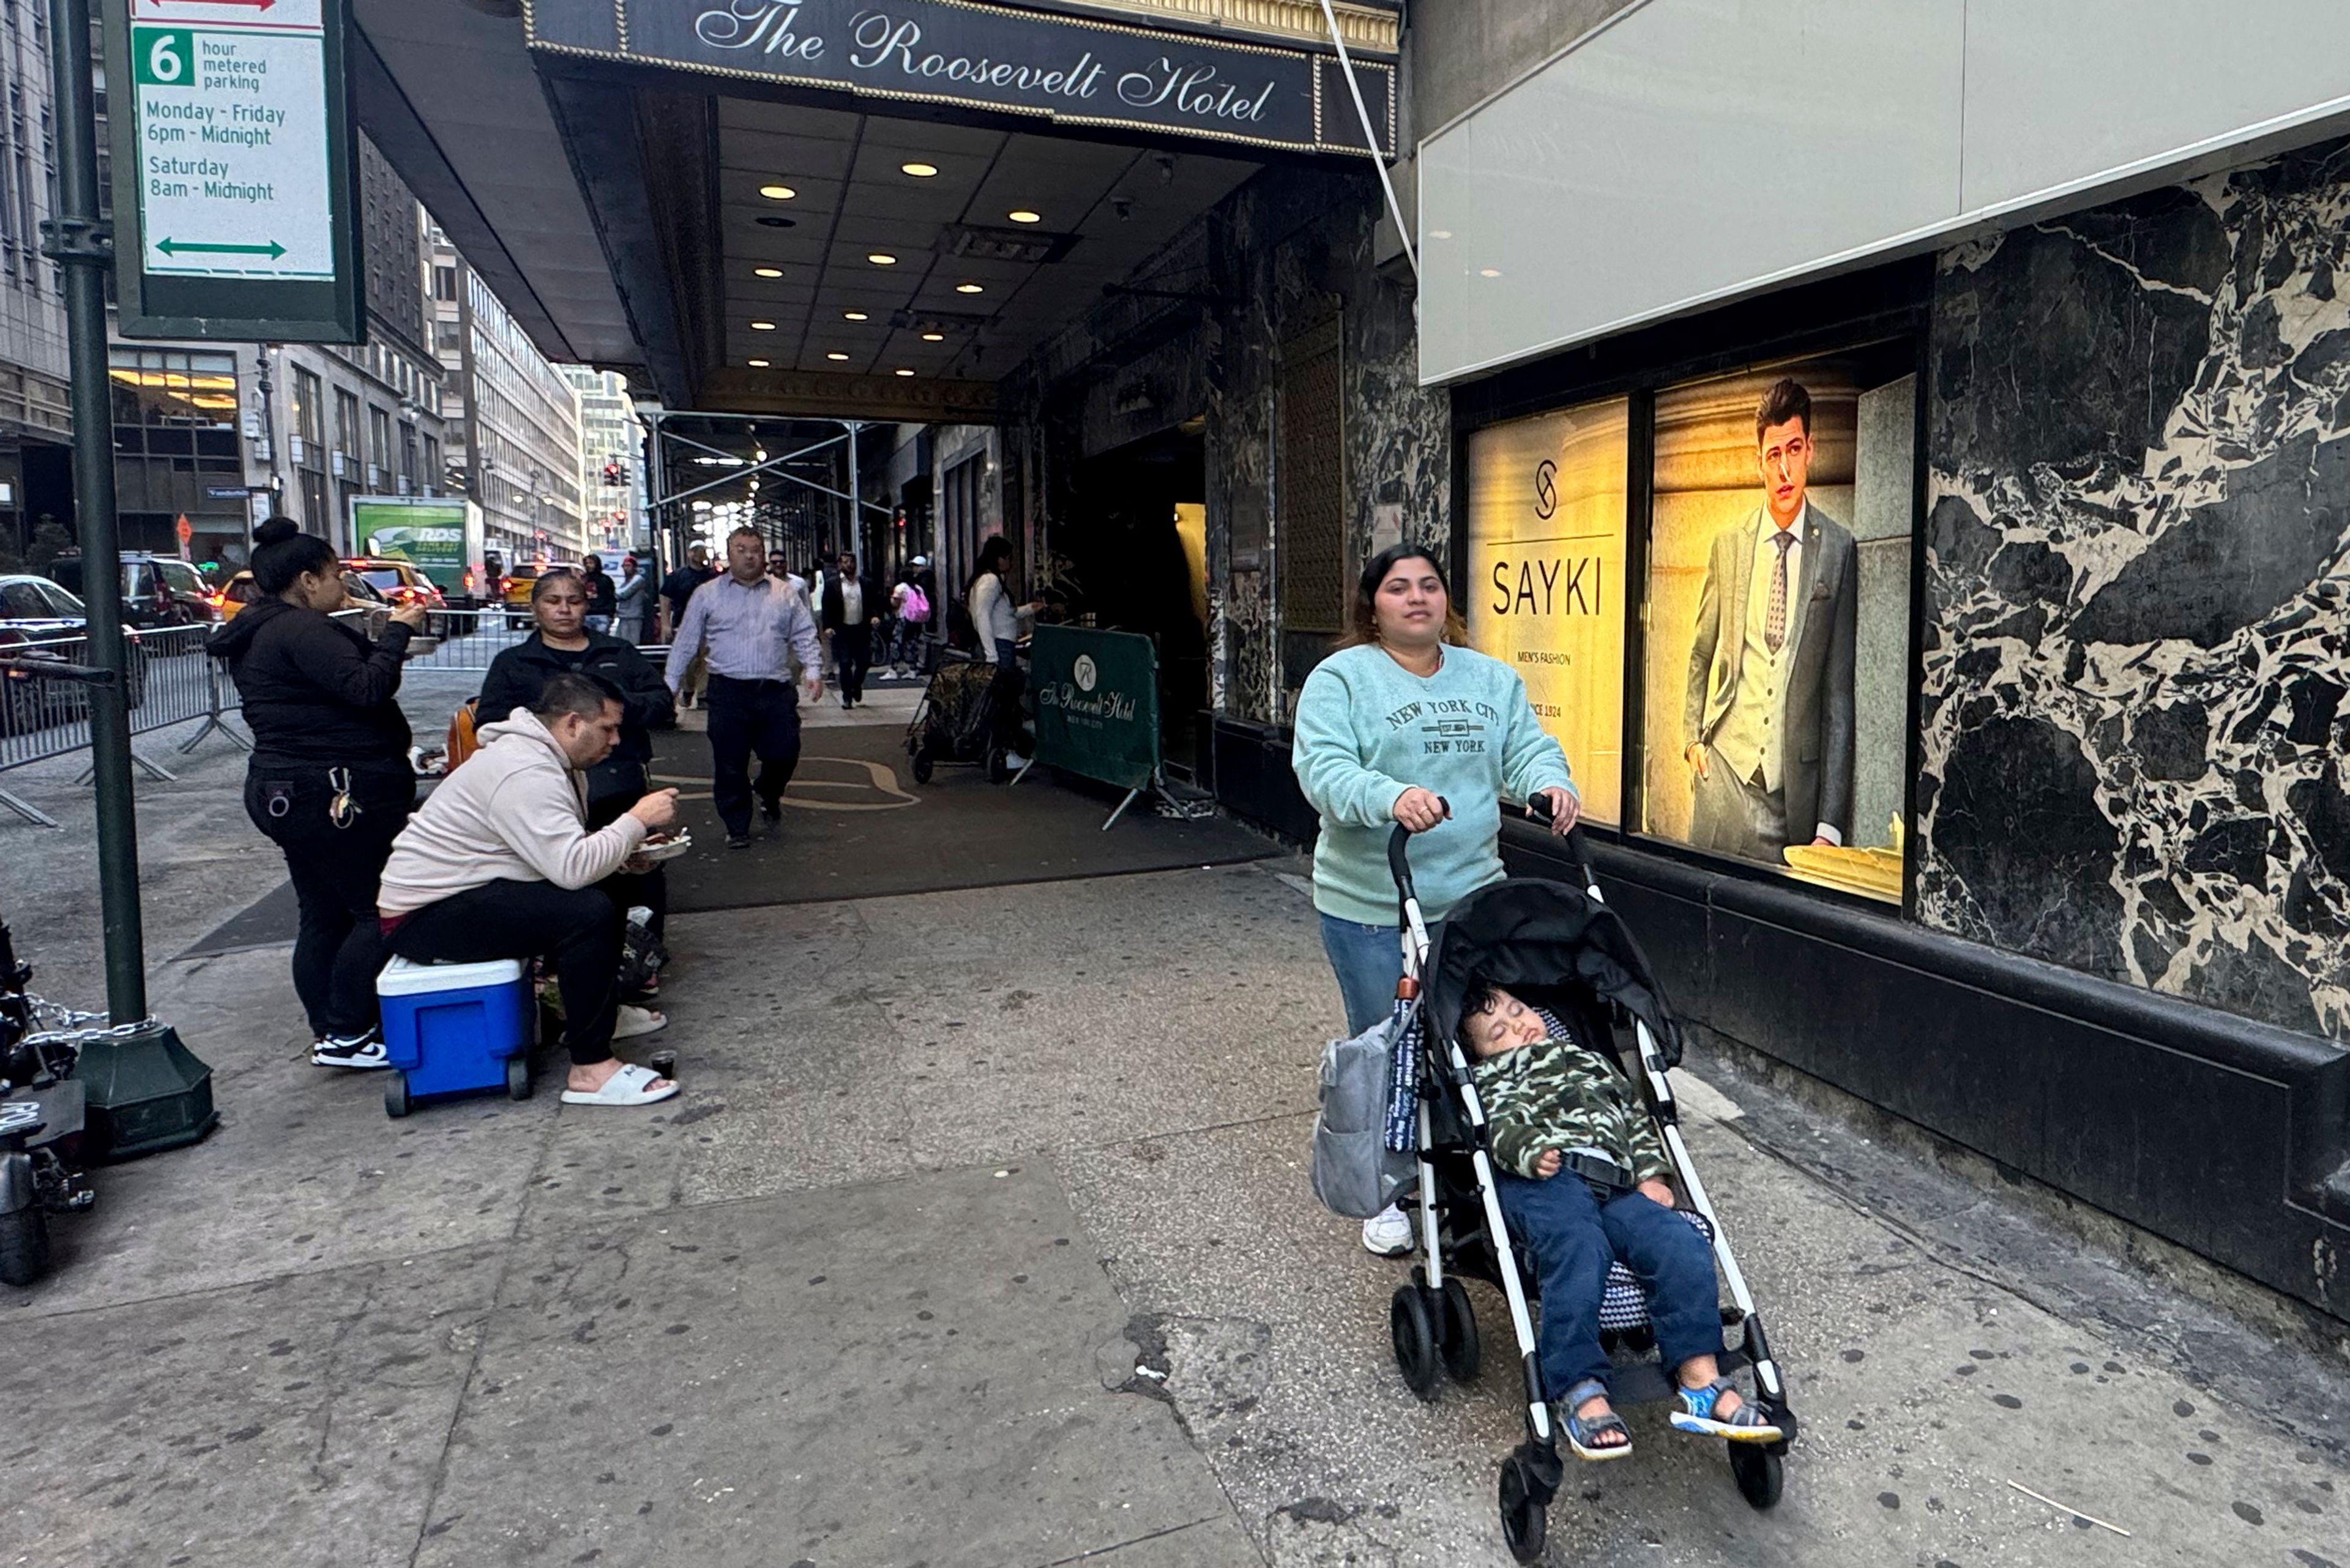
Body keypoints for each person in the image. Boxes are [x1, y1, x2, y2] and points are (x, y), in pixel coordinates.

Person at [1291, 542, 1580, 1255]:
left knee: (1480, 1034)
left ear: (1446, 601)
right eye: (1398, 588)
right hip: (1370, 900)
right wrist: (1392, 797)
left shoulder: (1491, 679)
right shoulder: (1343, 679)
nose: (1416, 598)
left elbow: (1525, 749)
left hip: (1472, 895)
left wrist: (1551, 782)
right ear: (1373, 607)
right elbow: (1322, 769)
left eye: (1428, 586)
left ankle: (1480, 1164)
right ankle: (1385, 1192)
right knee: (1384, 1045)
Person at [1458, 982, 1780, 1458]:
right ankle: (1579, 1386)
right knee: (1577, 1245)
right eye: (1498, 1032)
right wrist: (1527, 1149)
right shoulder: (1494, 1078)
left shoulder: (1593, 1063)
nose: (1518, 1026)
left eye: (1518, 1010)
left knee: (1680, 1242)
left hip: (1616, 1181)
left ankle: (1700, 1380)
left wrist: (1652, 1174)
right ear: (1483, 1056)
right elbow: (1499, 1126)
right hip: (1544, 1179)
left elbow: (1634, 1120)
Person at [378, 673, 681, 1107]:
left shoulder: (548, 758)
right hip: (423, 915)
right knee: (586, 912)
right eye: (608, 728)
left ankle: (599, 1017)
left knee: (609, 884)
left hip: (467, 891)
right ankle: (591, 1069)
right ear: (573, 724)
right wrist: (637, 820)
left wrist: (622, 852)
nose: (616, 740)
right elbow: (572, 870)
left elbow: (560, 851)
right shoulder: (524, 770)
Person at [211, 518, 429, 1069]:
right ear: (307, 580)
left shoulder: (263, 629)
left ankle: (333, 1028)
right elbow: (368, 687)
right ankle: (348, 1030)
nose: (344, 586)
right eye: (335, 575)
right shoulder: (299, 630)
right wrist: (398, 632)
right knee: (378, 909)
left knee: (324, 913)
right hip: (331, 793)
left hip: (289, 790)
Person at [1683, 377, 1858, 862]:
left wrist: (1830, 823)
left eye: (1794, 450)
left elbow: (1839, 696)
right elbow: (1701, 650)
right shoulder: (1730, 545)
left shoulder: (1839, 551)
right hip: (1722, 780)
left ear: (1811, 451)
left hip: (1793, 800)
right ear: (1758, 460)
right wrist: (1692, 741)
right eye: (1773, 454)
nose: (1784, 469)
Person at [479, 569, 677, 947]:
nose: (564, 610)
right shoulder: (514, 663)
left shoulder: (617, 652)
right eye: (553, 602)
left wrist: (614, 706)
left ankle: (644, 956)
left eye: (574, 601)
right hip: (547, 791)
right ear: (536, 607)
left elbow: (661, 705)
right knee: (571, 881)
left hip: (620, 783)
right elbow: (490, 724)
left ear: (587, 606)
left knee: (640, 871)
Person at [663, 526, 822, 849]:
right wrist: (670, 684)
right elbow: (687, 642)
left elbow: (804, 633)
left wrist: (813, 668)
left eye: (756, 549)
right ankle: (736, 826)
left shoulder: (785, 593)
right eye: (742, 549)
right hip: (728, 692)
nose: (750, 555)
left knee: (784, 753)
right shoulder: (707, 594)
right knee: (730, 762)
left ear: (764, 554)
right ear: (729, 553)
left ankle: (769, 790)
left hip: (775, 690)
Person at [966, 537, 1040, 769]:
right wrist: (992, 656)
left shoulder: (990, 581)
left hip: (1001, 645)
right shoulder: (990, 582)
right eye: (1007, 557)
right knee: (1002, 701)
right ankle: (1002, 751)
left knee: (1001, 700)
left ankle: (999, 749)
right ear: (998, 559)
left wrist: (1028, 610)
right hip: (999, 648)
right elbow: (983, 616)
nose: (1010, 562)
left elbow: (1003, 615)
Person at [820, 551, 882, 709]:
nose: (849, 565)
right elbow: (827, 606)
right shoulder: (833, 584)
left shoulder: (865, 583)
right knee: (845, 663)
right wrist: (827, 626)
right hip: (843, 629)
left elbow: (874, 603)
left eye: (852, 562)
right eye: (845, 562)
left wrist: (874, 616)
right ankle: (847, 697)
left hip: (861, 628)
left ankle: (856, 684)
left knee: (864, 661)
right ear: (840, 565)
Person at [658, 545, 718, 706]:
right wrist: (665, 624)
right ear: (689, 553)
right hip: (683, 623)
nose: (699, 554)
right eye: (695, 551)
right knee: (689, 660)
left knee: (707, 659)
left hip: (709, 623)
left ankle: (704, 694)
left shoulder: (712, 576)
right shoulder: (678, 576)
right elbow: (665, 597)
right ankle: (689, 688)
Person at [613, 552, 652, 645]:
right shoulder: (626, 581)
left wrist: (612, 593)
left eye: (629, 566)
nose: (626, 568)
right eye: (624, 566)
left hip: (634, 617)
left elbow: (623, 594)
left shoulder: (638, 579)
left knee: (633, 644)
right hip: (624, 616)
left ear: (634, 567)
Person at [580, 554, 617, 633]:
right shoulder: (582, 580)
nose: (588, 565)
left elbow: (611, 597)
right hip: (587, 614)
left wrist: (610, 613)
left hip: (602, 614)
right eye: (587, 563)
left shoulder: (605, 580)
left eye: (591, 563)